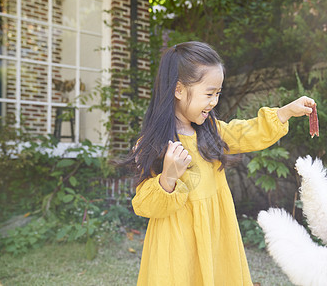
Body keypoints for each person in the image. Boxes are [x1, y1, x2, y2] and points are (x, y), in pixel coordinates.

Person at [129, 41, 316, 285]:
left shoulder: (211, 132)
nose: (214, 101)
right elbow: (143, 205)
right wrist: (168, 178)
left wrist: (284, 112)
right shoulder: (154, 143)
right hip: (176, 248)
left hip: (217, 238)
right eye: (209, 93)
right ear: (178, 89)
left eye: (218, 93)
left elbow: (244, 132)